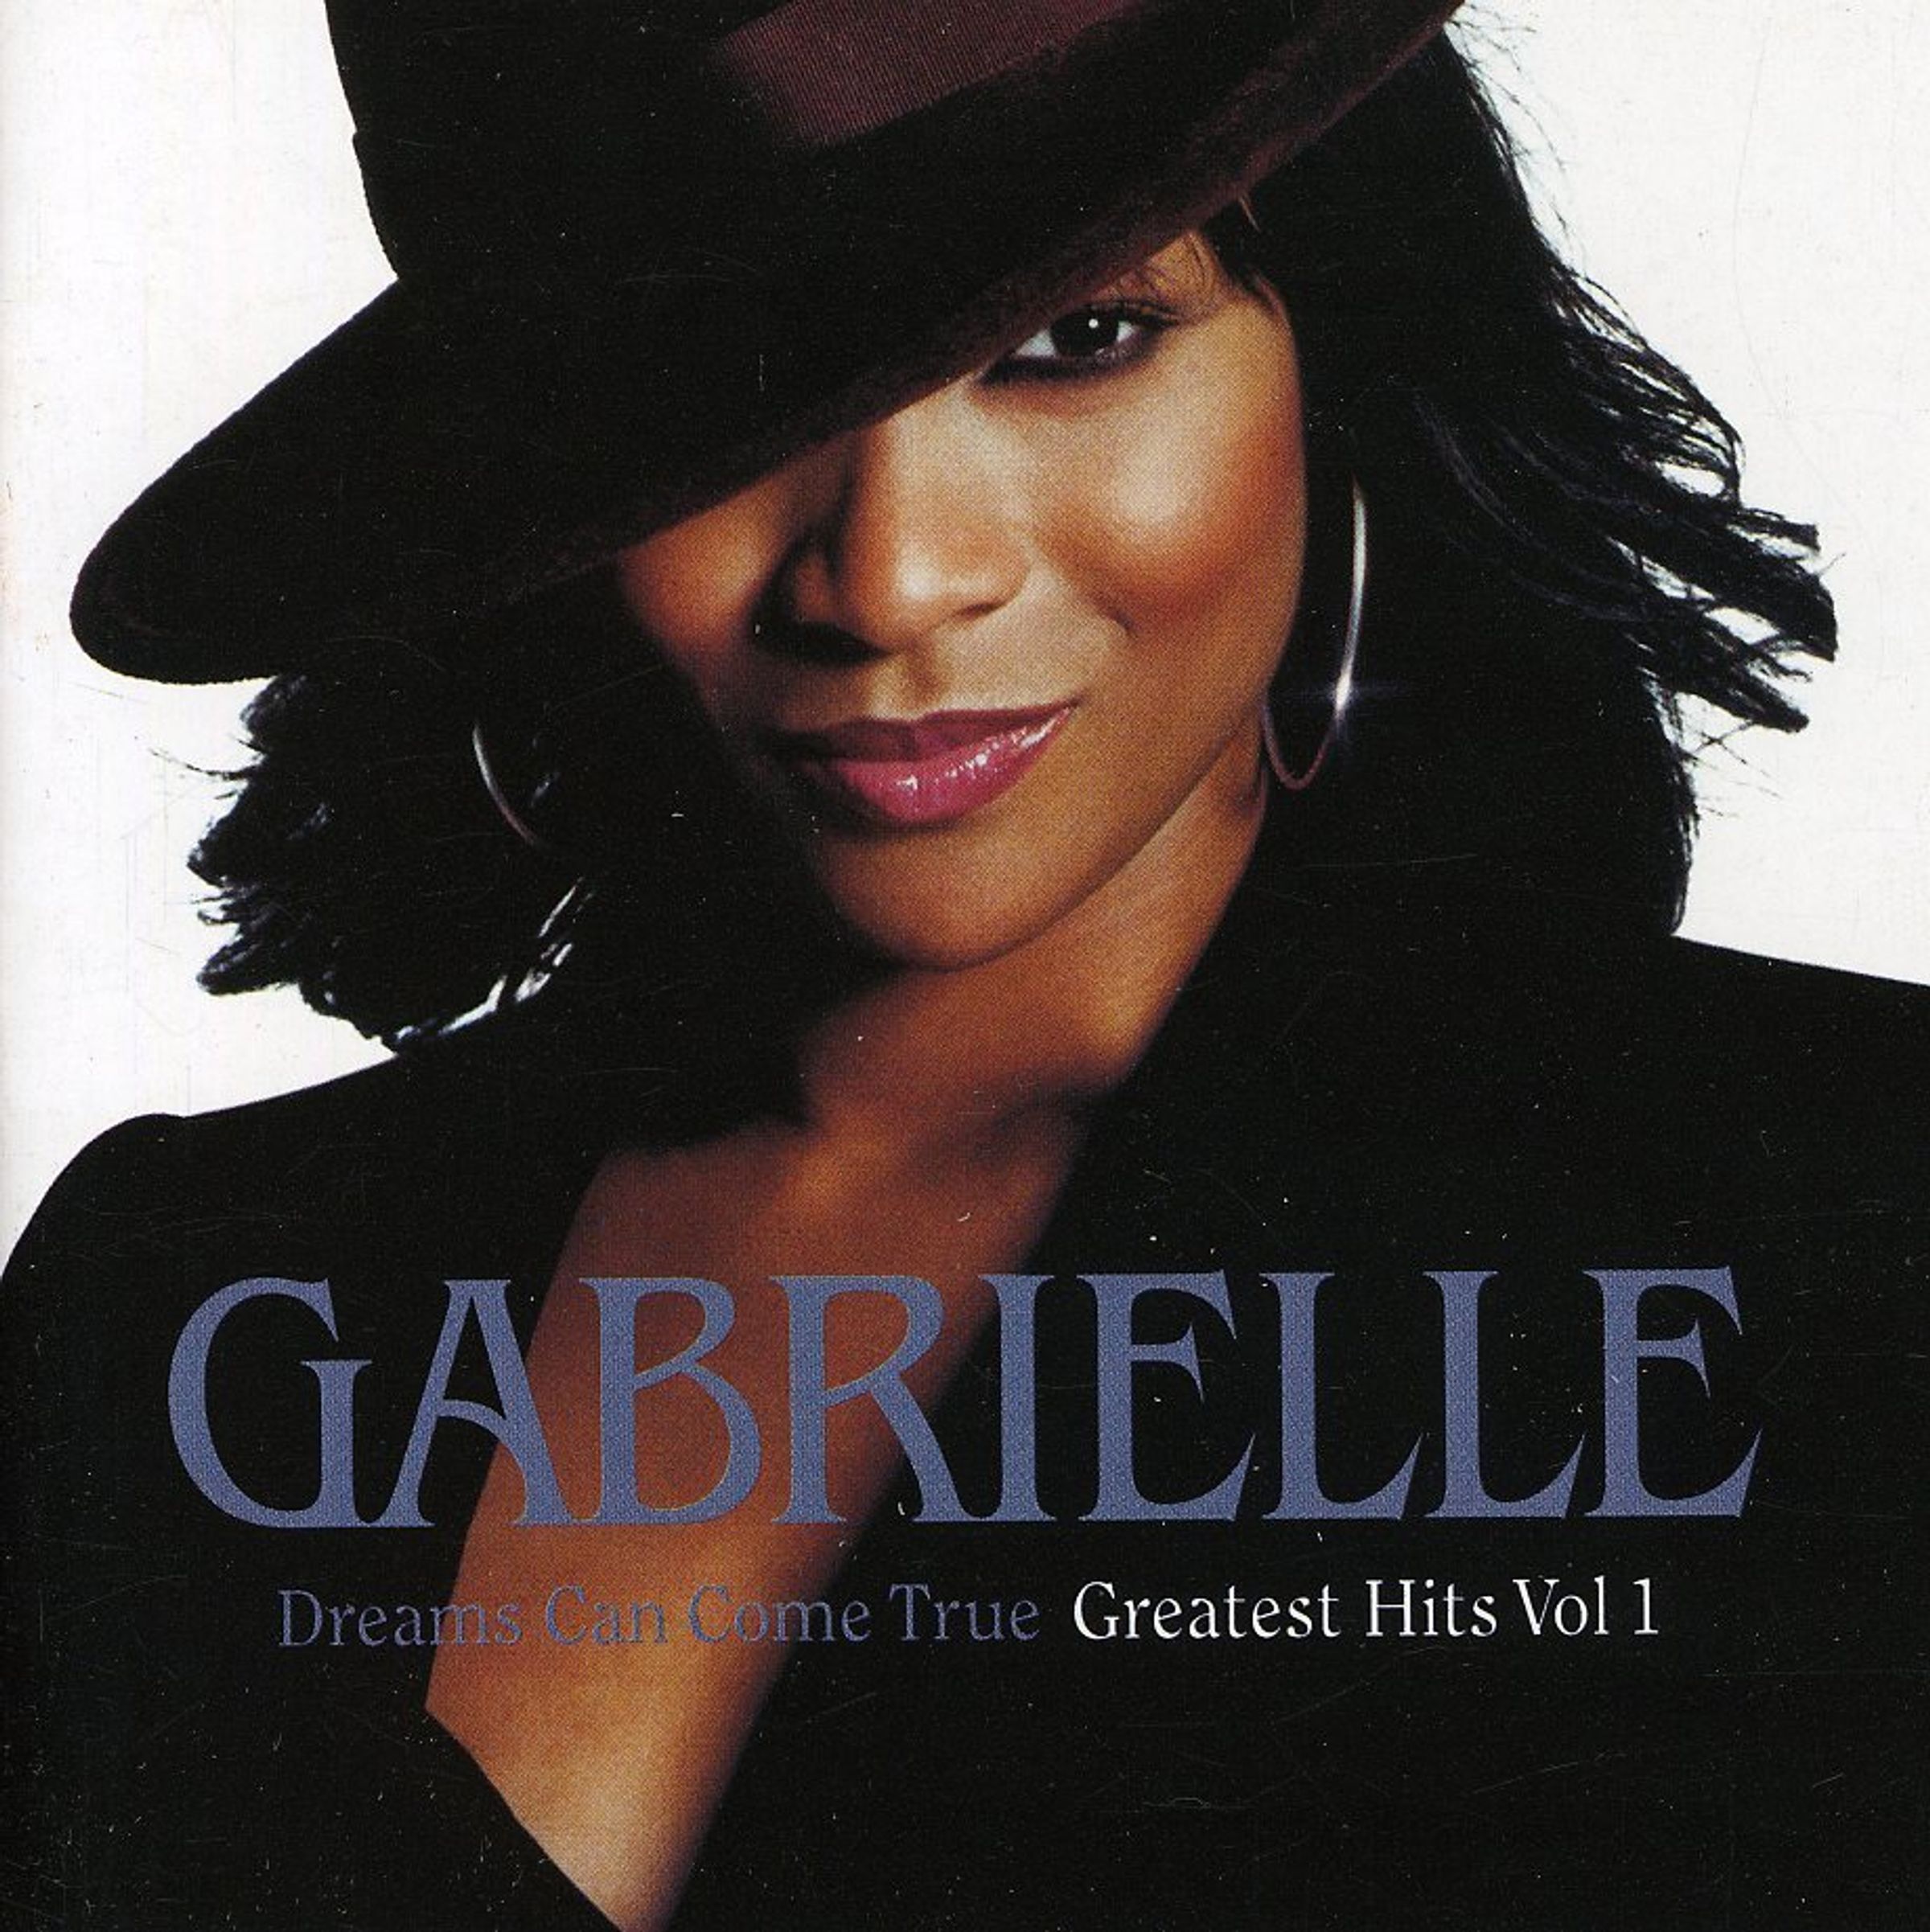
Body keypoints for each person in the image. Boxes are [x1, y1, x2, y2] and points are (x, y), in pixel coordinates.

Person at [5, 4, 1926, 1928]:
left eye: (1078, 339)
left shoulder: (1842, 1215)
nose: (893, 575)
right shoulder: (170, 1304)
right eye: (718, 373)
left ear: (1340, 360)